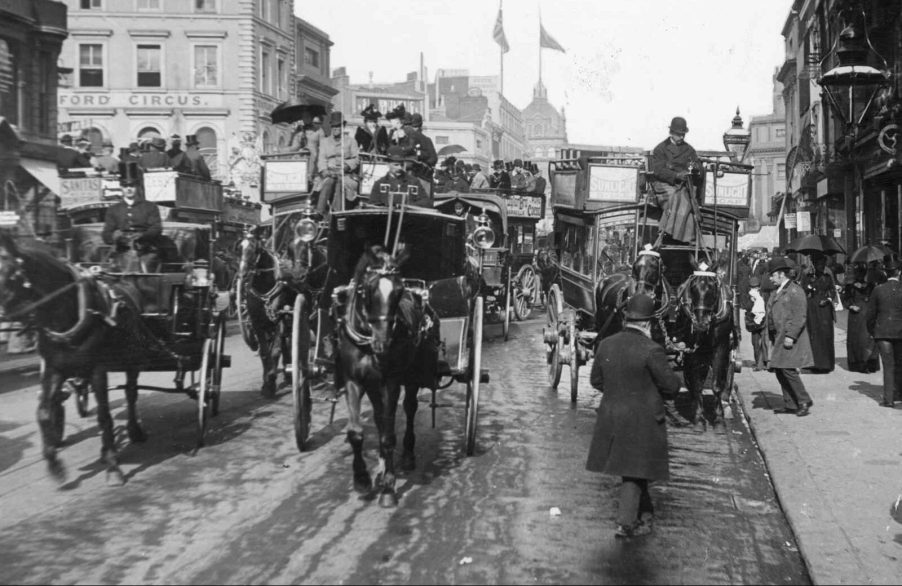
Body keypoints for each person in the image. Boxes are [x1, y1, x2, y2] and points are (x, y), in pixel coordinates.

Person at [586, 293, 685, 538]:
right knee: (634, 469)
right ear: (648, 324)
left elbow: (596, 380)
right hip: (643, 421)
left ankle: (646, 516)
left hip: (612, 416)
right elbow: (672, 388)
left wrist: (618, 393)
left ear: (627, 319)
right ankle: (625, 523)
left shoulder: (606, 344)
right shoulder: (652, 350)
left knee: (634, 467)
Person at [766, 256, 814, 416]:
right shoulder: (778, 291)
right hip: (779, 336)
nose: (771, 278)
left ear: (781, 274)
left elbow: (800, 316)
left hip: (791, 338)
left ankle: (804, 400)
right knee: (780, 369)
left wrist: (791, 336)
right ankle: (791, 404)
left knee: (788, 369)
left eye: (773, 275)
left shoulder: (795, 290)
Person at [101, 161, 163, 275]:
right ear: (121, 187)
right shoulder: (113, 209)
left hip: (146, 252)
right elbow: (106, 233)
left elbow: (156, 228)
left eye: (132, 186)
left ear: (137, 186)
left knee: (147, 277)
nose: (128, 189)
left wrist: (143, 236)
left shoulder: (150, 207)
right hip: (121, 251)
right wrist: (116, 237)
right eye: (125, 186)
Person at [650, 117, 703, 246]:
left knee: (686, 199)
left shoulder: (689, 150)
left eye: (683, 134)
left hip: (683, 185)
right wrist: (676, 175)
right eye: (679, 134)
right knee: (675, 197)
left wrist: (696, 168)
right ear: (671, 133)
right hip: (663, 185)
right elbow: (658, 171)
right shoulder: (660, 149)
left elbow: (698, 166)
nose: (681, 137)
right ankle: (670, 232)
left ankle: (671, 233)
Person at [867, 258, 902, 408]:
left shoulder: (878, 289)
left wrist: (872, 331)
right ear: (899, 272)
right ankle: (899, 393)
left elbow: (870, 315)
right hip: (900, 332)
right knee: (900, 364)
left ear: (885, 272)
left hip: (882, 332)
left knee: (888, 365)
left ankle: (889, 399)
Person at [316, 111, 359, 217]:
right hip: (329, 173)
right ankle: (319, 211)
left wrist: (346, 167)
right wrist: (324, 171)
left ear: (343, 126)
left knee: (341, 182)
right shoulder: (324, 142)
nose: (335, 128)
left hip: (346, 174)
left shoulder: (351, 141)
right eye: (333, 126)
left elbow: (356, 159)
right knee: (329, 182)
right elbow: (321, 159)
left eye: (338, 126)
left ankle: (338, 213)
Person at [801, 252, 837, 373]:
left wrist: (828, 299)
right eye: (819, 264)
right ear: (814, 264)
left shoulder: (827, 276)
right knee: (813, 334)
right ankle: (814, 364)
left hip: (824, 308)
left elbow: (832, 291)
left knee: (825, 334)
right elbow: (803, 290)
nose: (821, 267)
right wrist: (809, 289)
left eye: (823, 264)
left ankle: (826, 364)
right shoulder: (808, 276)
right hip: (812, 308)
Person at [842, 265, 879, 374]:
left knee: (869, 339)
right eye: (858, 273)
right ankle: (859, 364)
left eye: (862, 273)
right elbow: (846, 300)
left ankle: (870, 363)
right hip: (856, 316)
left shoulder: (871, 285)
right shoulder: (850, 287)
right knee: (858, 340)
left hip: (868, 314)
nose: (860, 275)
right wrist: (851, 306)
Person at [745, 276, 769, 371]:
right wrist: (751, 302)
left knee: (763, 342)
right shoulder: (750, 296)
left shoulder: (763, 295)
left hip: (762, 322)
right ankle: (758, 362)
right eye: (752, 287)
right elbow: (746, 307)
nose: (753, 289)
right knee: (755, 343)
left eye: (755, 287)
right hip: (753, 323)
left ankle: (762, 363)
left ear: (759, 287)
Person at [408, 113, 437, 181]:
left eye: (415, 127)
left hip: (420, 175)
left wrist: (423, 163)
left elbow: (433, 158)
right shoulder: (426, 140)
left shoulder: (426, 140)